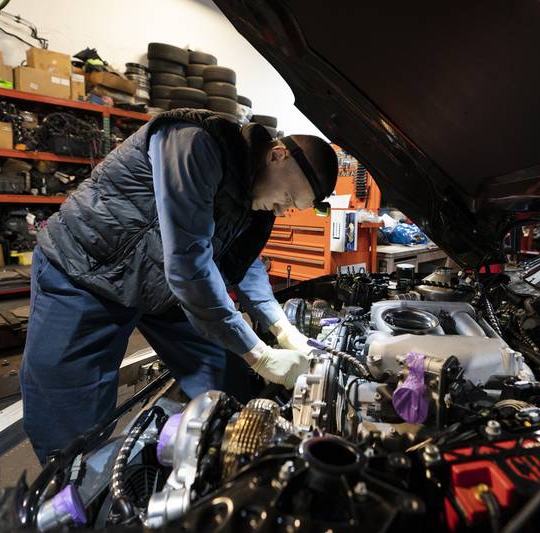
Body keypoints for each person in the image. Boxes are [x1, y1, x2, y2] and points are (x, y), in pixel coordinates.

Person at [20, 109, 338, 461]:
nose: (282, 212)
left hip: (159, 283)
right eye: (290, 198)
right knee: (71, 417)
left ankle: (224, 459)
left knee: (227, 374)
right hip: (87, 270)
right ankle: (73, 502)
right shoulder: (194, 144)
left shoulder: (255, 190)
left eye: (293, 209)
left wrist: (280, 326)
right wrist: (260, 353)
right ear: (277, 155)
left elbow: (241, 265)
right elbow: (189, 264)